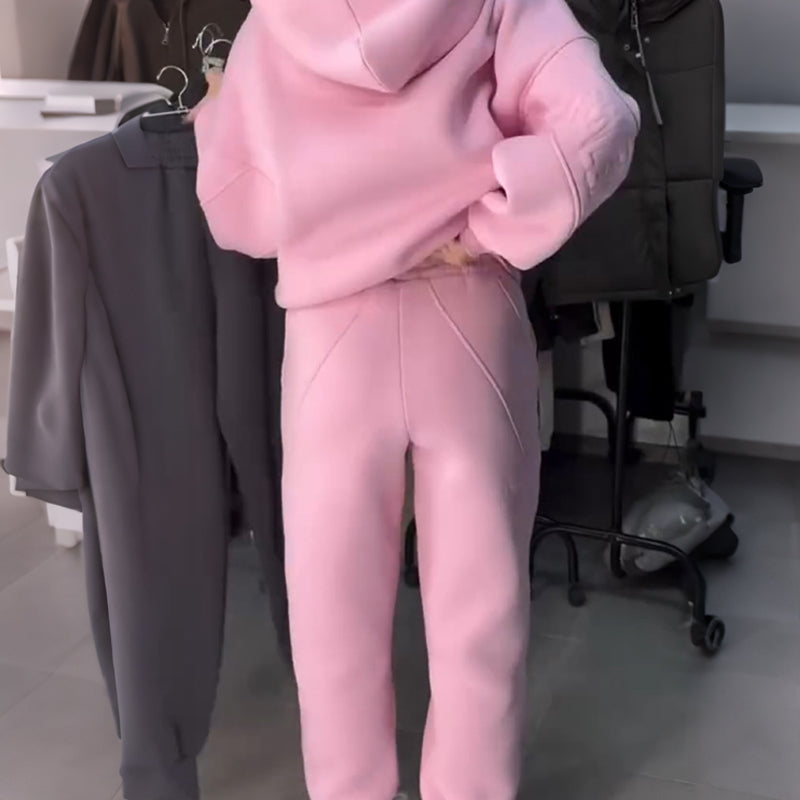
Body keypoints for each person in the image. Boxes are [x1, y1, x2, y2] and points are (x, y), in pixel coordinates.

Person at [192, 1, 640, 798]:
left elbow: (238, 209)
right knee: (481, 616)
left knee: (333, 617)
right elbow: (598, 124)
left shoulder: (278, 24)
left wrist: (221, 121)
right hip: (467, 314)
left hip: (332, 334)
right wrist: (489, 224)